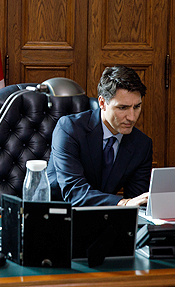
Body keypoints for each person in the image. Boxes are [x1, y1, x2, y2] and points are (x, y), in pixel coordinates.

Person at [46, 66, 152, 207]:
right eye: (123, 108)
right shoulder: (69, 128)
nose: (132, 117)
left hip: (104, 218)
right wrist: (123, 204)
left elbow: (137, 202)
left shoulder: (142, 144)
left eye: (137, 107)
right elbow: (74, 192)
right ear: (102, 103)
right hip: (57, 215)